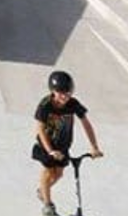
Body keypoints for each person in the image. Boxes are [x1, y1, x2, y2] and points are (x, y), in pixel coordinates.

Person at [33, 70, 102, 216]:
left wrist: (94, 146)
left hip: (63, 146)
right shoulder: (45, 105)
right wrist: (50, 151)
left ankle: (42, 190)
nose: (64, 97)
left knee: (58, 174)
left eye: (68, 93)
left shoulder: (73, 104)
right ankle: (48, 206)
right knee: (48, 172)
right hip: (46, 145)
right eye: (61, 93)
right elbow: (39, 128)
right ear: (53, 91)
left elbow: (86, 124)